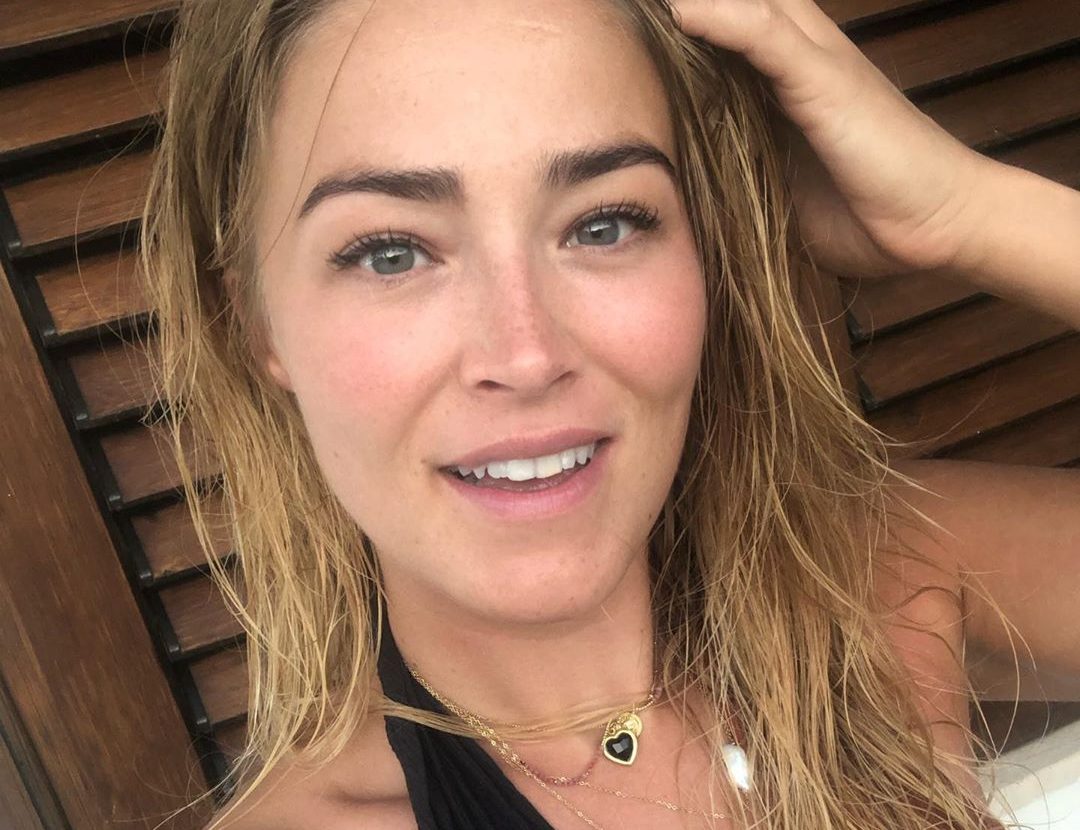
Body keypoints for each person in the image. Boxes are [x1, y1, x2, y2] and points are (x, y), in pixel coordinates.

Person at [140, 0, 1080, 827]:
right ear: (252, 321)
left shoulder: (879, 585)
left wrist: (963, 210)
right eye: (392, 253)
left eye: (603, 225)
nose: (526, 353)